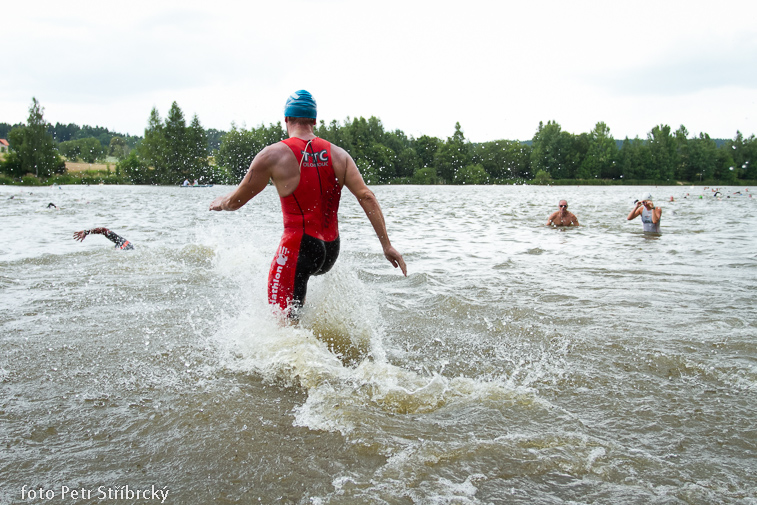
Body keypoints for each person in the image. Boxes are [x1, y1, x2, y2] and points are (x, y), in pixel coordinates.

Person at [209, 90, 406, 318]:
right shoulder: (340, 155)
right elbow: (367, 196)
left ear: (286, 119)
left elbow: (235, 202)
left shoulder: (272, 155)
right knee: (297, 300)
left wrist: (221, 203)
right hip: (331, 250)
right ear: (314, 120)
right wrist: (387, 245)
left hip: (299, 246)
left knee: (282, 323)